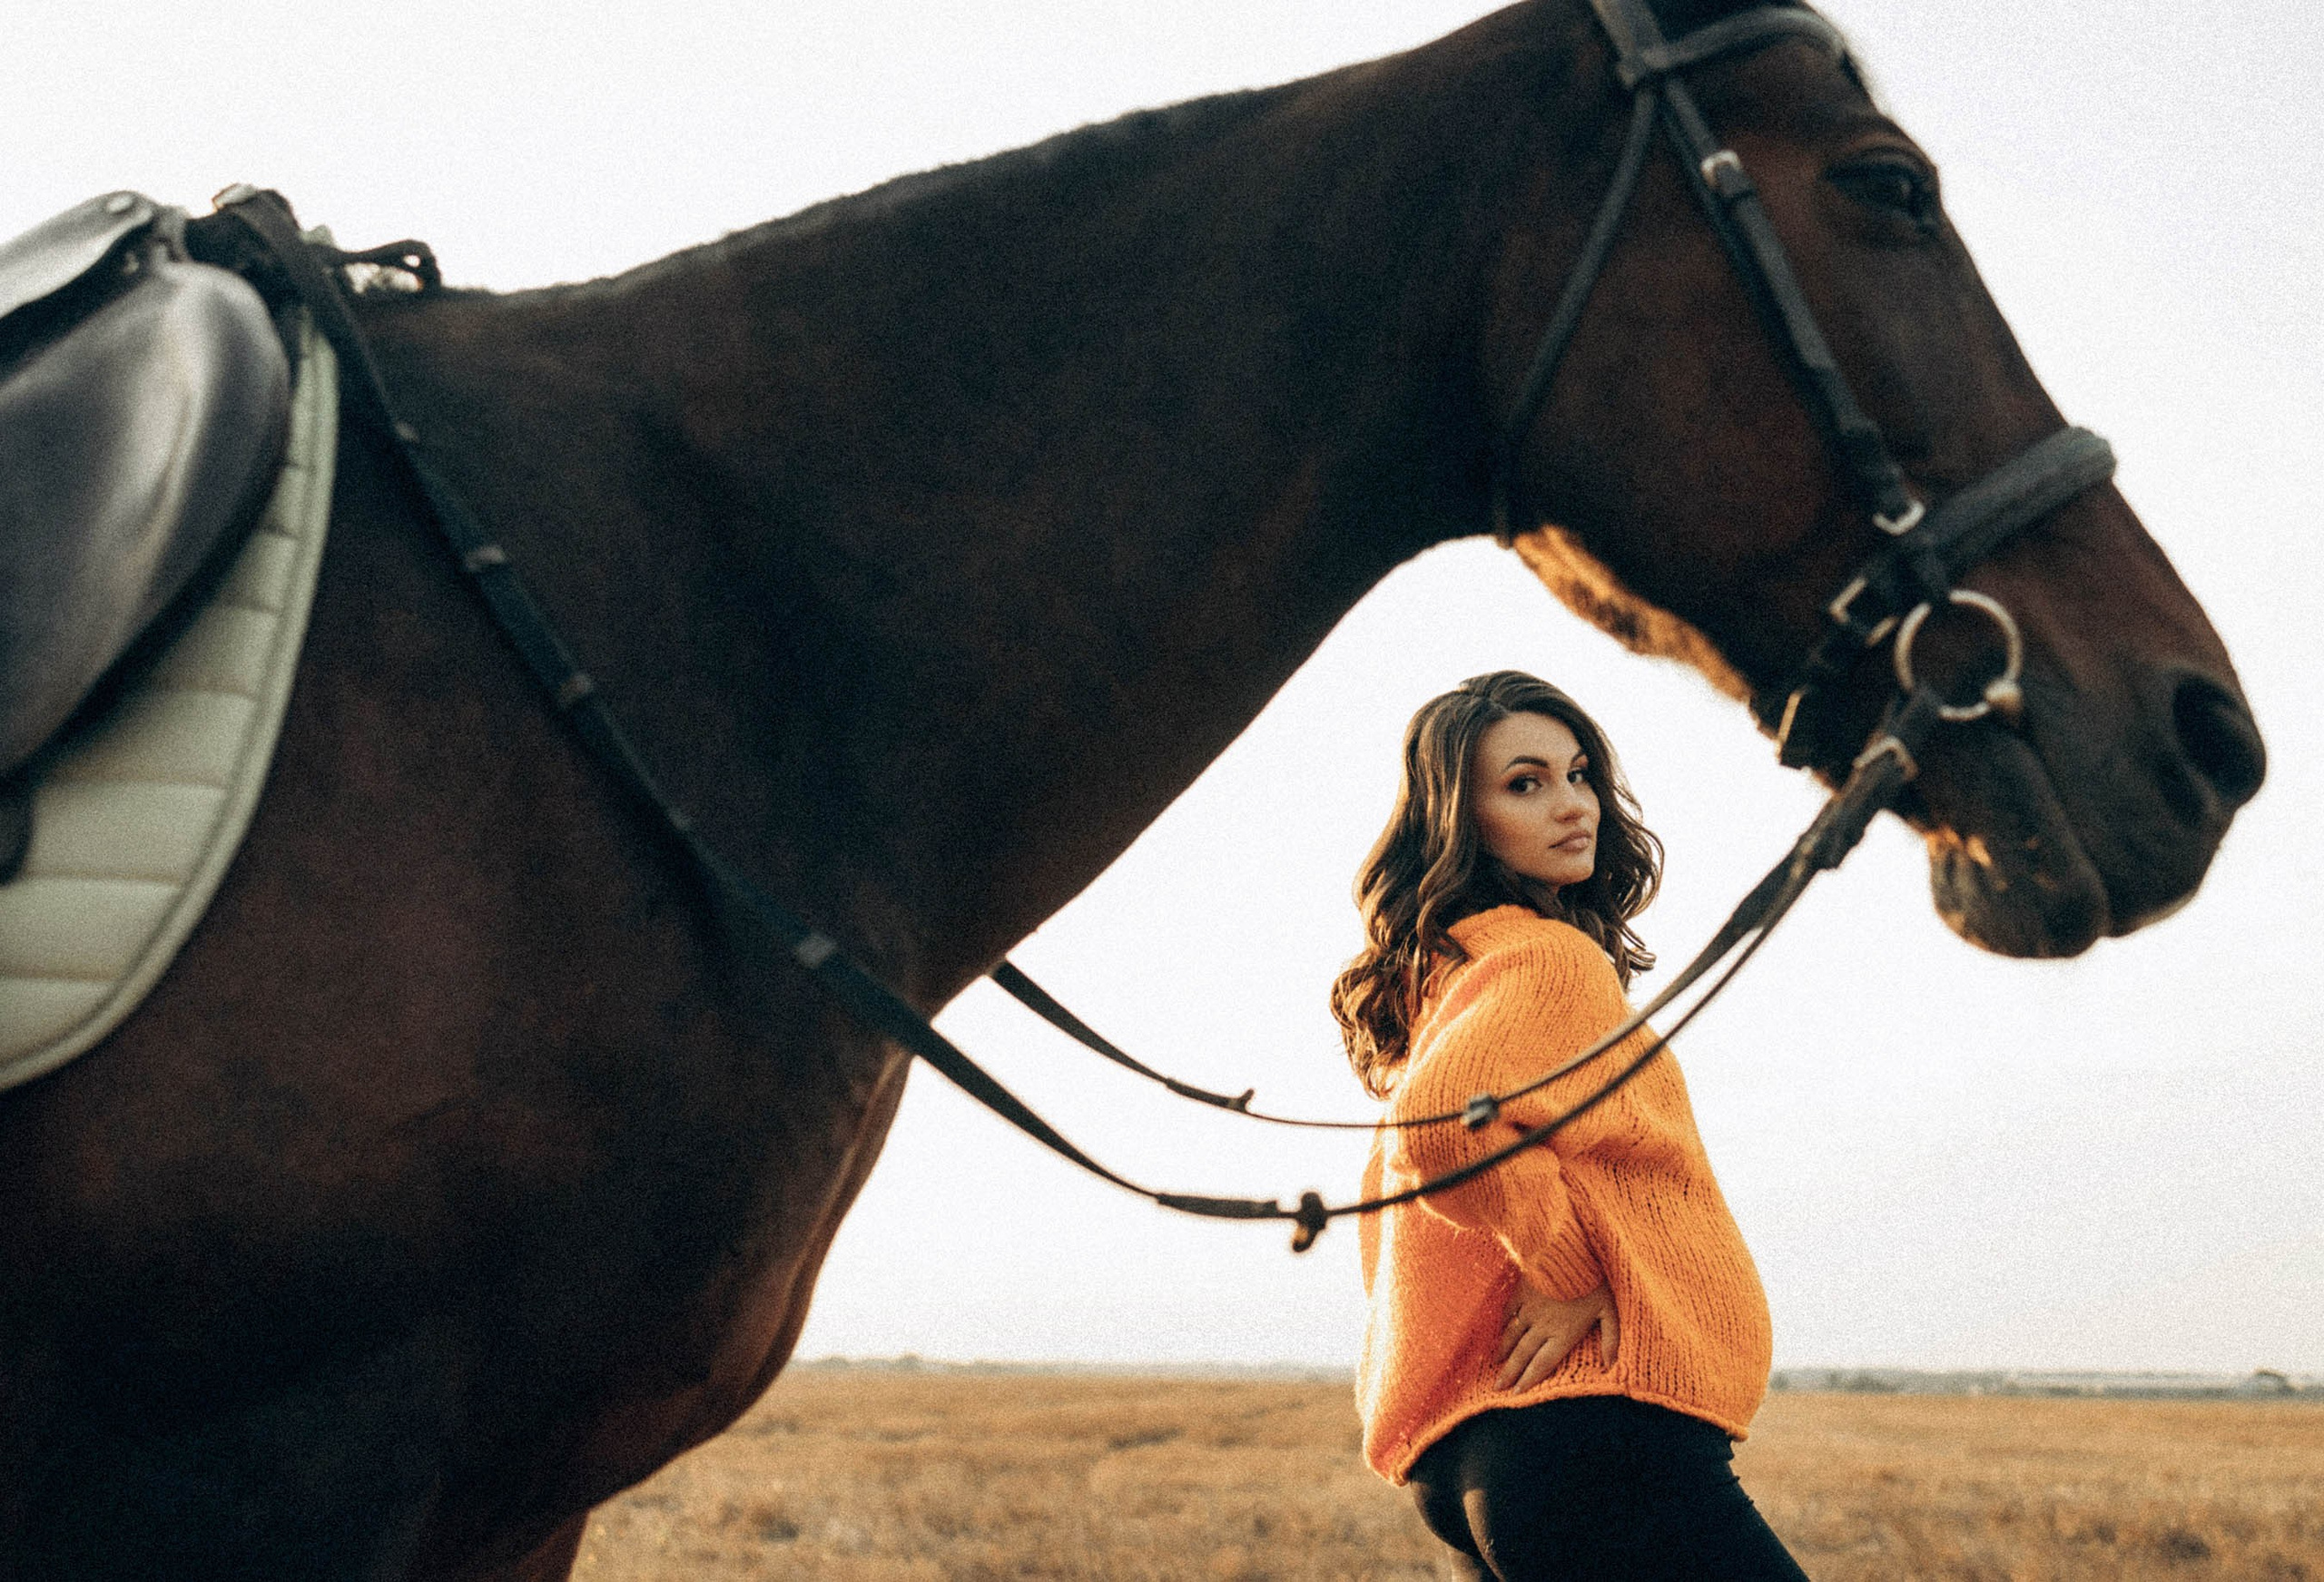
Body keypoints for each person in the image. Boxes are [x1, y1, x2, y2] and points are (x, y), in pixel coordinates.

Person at [1333, 671, 1806, 1581]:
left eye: (1578, 773)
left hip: (1476, 1453)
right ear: (1459, 818)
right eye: (1524, 783)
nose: (1570, 805)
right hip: (1592, 1432)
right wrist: (1564, 1264)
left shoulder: (1447, 974)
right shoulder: (1551, 958)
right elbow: (1439, 1133)